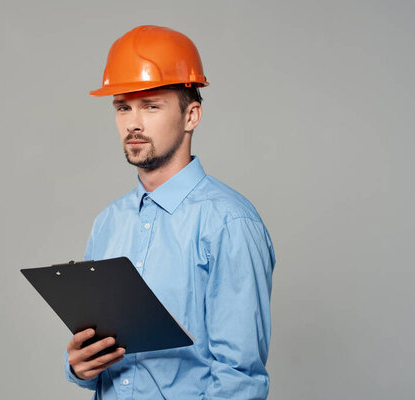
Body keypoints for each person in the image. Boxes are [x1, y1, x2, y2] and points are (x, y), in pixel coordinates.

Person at [64, 25, 275, 400]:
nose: (133, 123)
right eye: (123, 107)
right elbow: (96, 350)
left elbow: (239, 378)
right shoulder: (109, 222)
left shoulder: (229, 223)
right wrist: (80, 366)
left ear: (191, 115)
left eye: (151, 106)